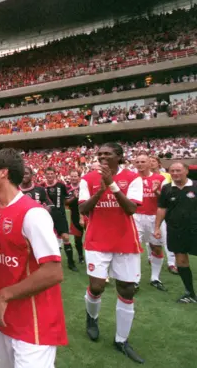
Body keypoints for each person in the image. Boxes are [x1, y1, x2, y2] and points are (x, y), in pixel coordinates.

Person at [0, 149, 67, 368]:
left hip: (33, 320)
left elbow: (53, 271)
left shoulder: (33, 214)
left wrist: (4, 295)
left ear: (3, 173)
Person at [79, 143, 145, 364]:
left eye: (107, 154)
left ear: (119, 156)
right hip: (97, 240)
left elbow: (131, 209)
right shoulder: (87, 179)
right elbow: (83, 209)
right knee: (96, 286)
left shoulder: (133, 177)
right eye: (100, 154)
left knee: (126, 290)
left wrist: (112, 185)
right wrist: (100, 189)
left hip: (125, 240)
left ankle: (121, 340)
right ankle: (92, 318)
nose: (103, 157)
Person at [155, 162, 197, 303]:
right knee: (181, 259)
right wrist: (156, 228)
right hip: (175, 229)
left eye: (178, 170)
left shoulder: (195, 186)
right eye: (172, 171)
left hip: (195, 229)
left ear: (186, 171)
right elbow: (162, 208)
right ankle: (190, 293)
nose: (175, 173)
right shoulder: (167, 188)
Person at [132, 153, 168, 291]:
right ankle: (135, 280)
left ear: (149, 163)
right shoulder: (132, 179)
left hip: (155, 218)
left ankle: (155, 278)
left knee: (156, 248)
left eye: (143, 161)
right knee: (134, 249)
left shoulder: (160, 179)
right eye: (138, 162)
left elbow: (165, 201)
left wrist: (157, 191)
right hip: (136, 217)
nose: (140, 164)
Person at [44, 167, 78, 272]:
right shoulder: (41, 186)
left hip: (60, 215)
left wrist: (74, 197)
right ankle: (50, 264)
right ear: (45, 175)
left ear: (55, 174)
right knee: (48, 240)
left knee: (65, 237)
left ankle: (71, 263)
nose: (50, 176)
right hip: (46, 217)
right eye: (48, 174)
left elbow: (66, 201)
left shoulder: (61, 185)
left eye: (51, 174)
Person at [151, 156, 178, 274]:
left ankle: (171, 263)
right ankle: (150, 257)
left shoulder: (166, 176)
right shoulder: (141, 177)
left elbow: (168, 195)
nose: (151, 163)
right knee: (150, 240)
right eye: (149, 161)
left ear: (158, 163)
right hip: (148, 212)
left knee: (166, 237)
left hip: (163, 210)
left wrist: (156, 191)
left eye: (153, 161)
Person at [66, 169, 85, 264]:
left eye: (75, 176)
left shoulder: (84, 187)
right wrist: (74, 197)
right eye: (72, 176)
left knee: (91, 236)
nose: (73, 178)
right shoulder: (67, 188)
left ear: (79, 177)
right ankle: (81, 256)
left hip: (87, 214)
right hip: (75, 215)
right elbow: (65, 202)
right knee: (78, 239)